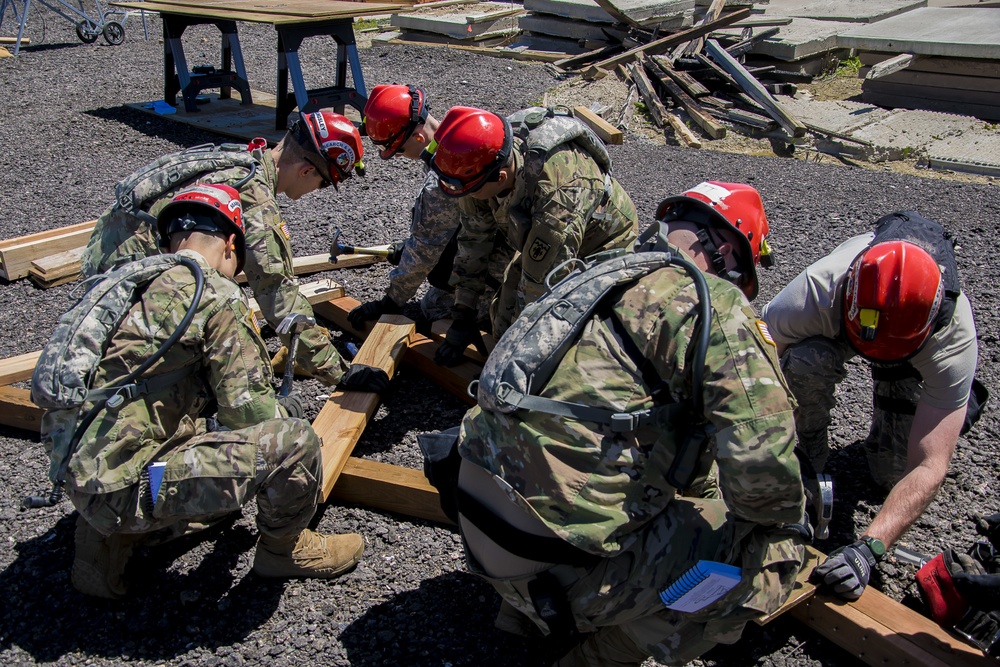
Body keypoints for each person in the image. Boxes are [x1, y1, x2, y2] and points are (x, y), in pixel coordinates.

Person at [425, 182, 806, 666]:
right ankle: (601, 655)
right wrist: (782, 518)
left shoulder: (596, 273)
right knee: (774, 551)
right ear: (729, 251)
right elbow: (762, 465)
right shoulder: (713, 305)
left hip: (479, 533)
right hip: (561, 575)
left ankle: (519, 616)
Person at [44, 184, 387, 600]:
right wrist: (283, 409)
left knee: (185, 453)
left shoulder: (124, 281)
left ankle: (103, 538)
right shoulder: (213, 293)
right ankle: (284, 549)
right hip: (132, 486)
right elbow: (250, 415)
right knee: (293, 442)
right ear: (230, 244)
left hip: (78, 470)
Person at [761, 211, 982, 600]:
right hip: (842, 326)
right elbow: (745, 377)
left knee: (890, 477)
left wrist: (869, 548)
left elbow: (929, 466)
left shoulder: (952, 340)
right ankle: (810, 447)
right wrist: (770, 460)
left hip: (912, 361)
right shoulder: (810, 296)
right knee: (805, 358)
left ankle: (951, 406)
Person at [81, 110, 366, 386]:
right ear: (306, 170)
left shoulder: (238, 160)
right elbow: (278, 295)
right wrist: (339, 371)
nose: (318, 190)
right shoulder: (255, 199)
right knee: (226, 312)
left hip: (106, 275)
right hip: (129, 305)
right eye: (324, 182)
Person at [424, 105, 640, 366]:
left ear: (501, 177)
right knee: (500, 317)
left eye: (467, 190)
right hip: (543, 233)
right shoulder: (481, 171)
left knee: (570, 337)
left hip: (602, 248)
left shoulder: (560, 193)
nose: (464, 196)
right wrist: (462, 314)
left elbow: (541, 288)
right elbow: (473, 242)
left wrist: (509, 366)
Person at [347, 84, 511, 329]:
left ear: (419, 137)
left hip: (510, 268)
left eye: (398, 150)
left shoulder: (442, 181)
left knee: (434, 304)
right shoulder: (468, 135)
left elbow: (425, 249)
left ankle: (500, 305)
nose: (398, 157)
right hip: (509, 242)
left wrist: (390, 302)